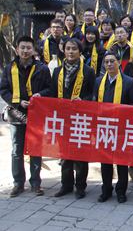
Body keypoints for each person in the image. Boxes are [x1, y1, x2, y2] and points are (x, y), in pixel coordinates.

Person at [0, 36, 51, 197]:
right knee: (17, 149)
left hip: (36, 114)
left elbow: (49, 89)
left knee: (35, 148)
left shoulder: (42, 69)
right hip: (16, 113)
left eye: (28, 47)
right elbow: (3, 90)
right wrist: (17, 102)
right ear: (17, 49)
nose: (25, 50)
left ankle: (35, 183)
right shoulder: (10, 68)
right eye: (22, 47)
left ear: (33, 49)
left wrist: (39, 95)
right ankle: (18, 183)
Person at [48, 38, 96, 199]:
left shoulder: (88, 71)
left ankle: (80, 186)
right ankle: (66, 185)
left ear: (80, 52)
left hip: (81, 118)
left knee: (80, 154)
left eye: (74, 49)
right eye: (67, 48)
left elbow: (92, 94)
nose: (70, 52)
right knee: (65, 153)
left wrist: (84, 100)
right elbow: (53, 93)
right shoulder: (57, 71)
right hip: (63, 118)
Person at [94, 52, 133, 203]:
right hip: (104, 127)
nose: (109, 64)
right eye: (106, 62)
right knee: (105, 160)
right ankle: (106, 189)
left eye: (112, 61)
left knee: (121, 161)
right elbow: (94, 104)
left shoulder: (129, 82)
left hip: (121, 127)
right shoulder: (98, 81)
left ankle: (121, 190)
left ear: (119, 63)